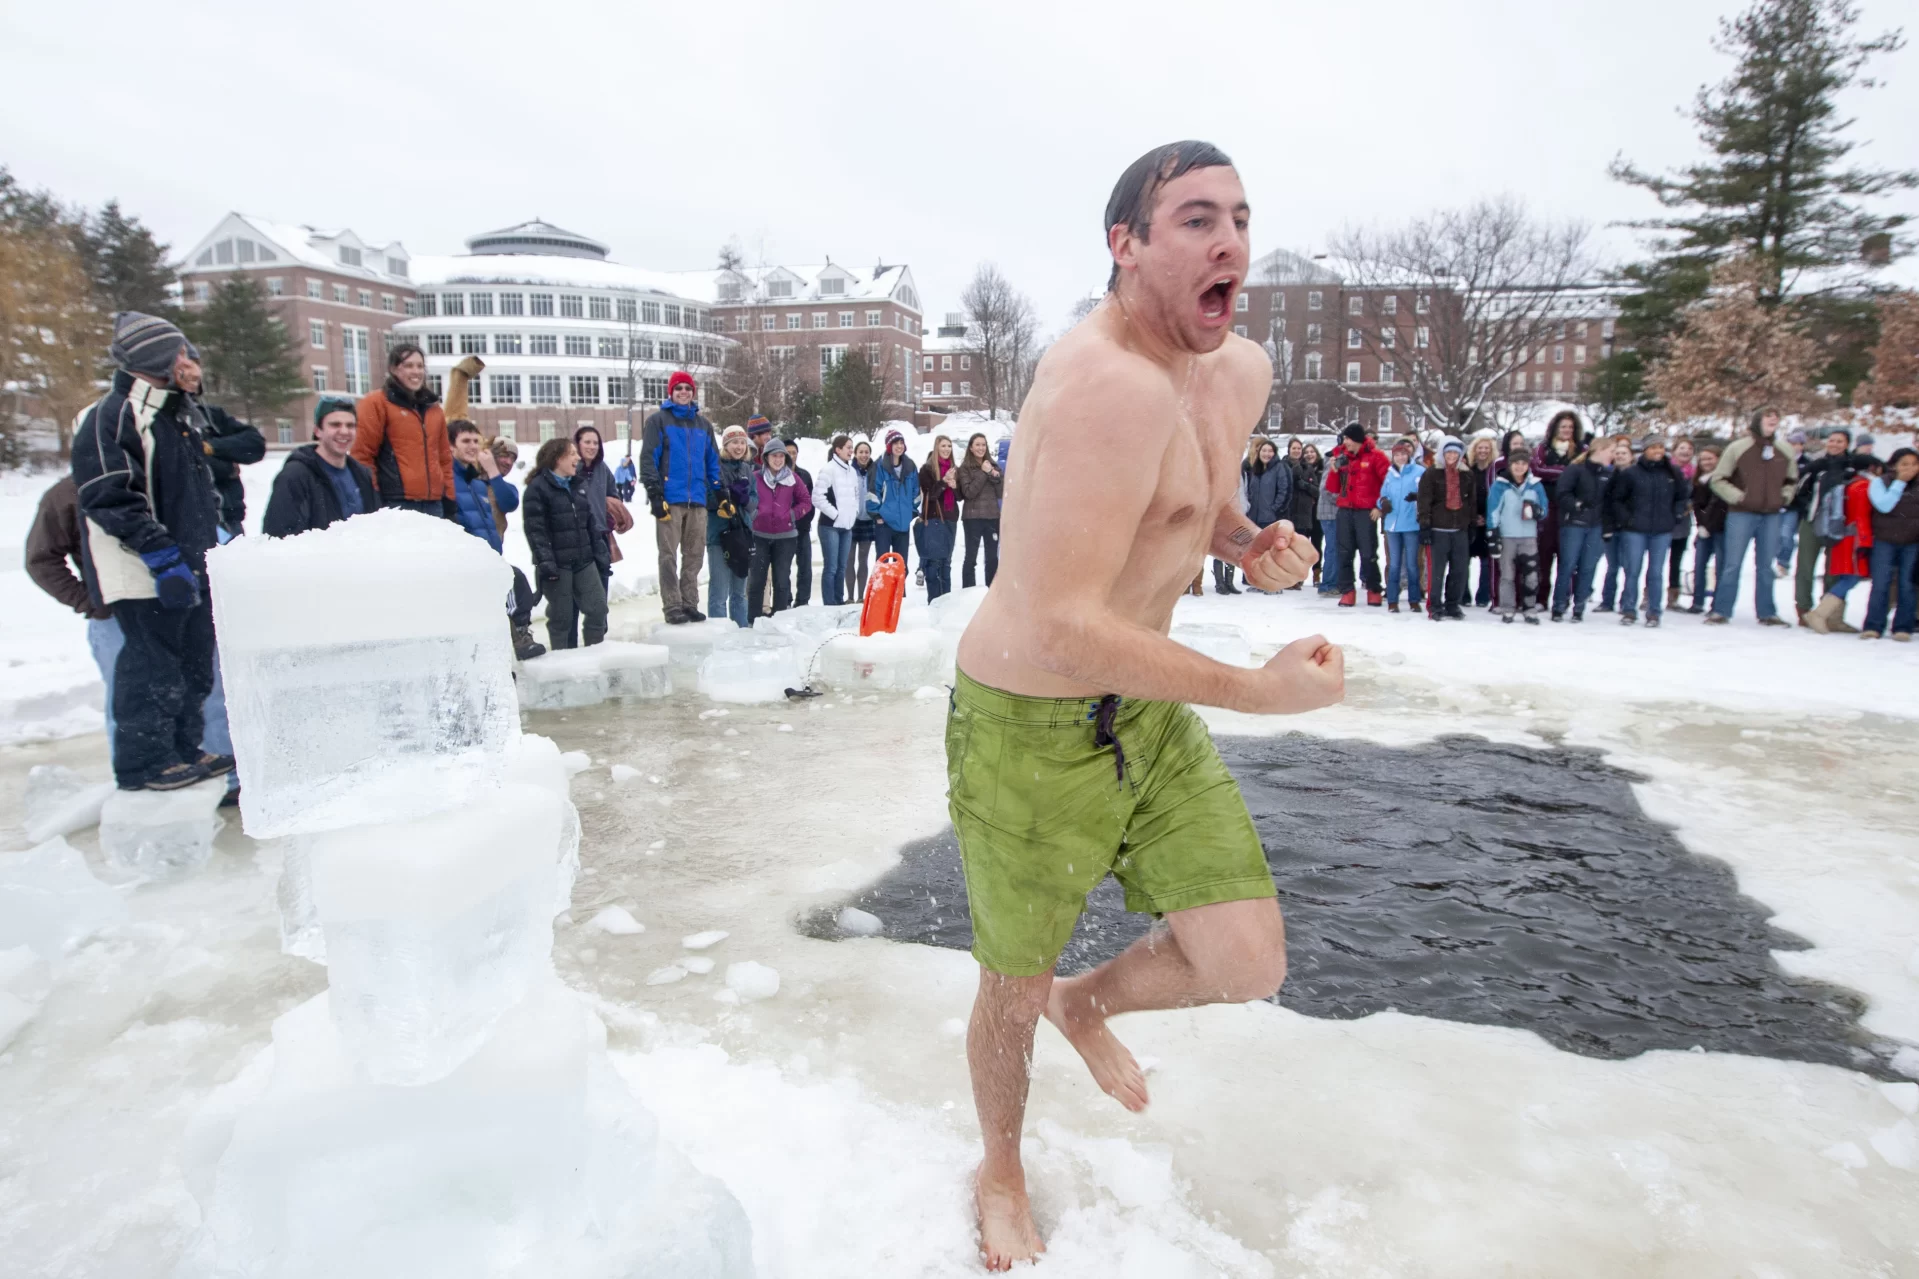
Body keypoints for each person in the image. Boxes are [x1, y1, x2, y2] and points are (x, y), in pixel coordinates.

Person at [948, 141, 1335, 1271]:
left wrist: (1245, 539)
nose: (1229, 243)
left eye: (1241, 219)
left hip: (1142, 717)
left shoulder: (1238, 370)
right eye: (1194, 220)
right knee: (1005, 988)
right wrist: (1258, 692)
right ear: (1123, 245)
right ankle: (1002, 1167)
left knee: (1244, 957)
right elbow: (1063, 620)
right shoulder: (1096, 385)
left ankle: (1091, 1000)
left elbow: (1191, 503)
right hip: (1028, 722)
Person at [70, 312, 233, 791]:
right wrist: (161, 557)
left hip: (191, 563)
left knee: (193, 667)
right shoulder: (113, 413)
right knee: (151, 668)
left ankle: (183, 750)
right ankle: (145, 764)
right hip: (144, 569)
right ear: (156, 358)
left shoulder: (176, 415)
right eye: (181, 353)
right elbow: (108, 494)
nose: (190, 362)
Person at [639, 371, 721, 625]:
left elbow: (712, 462)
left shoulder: (703, 425)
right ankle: (672, 604)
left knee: (694, 554)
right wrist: (654, 493)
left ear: (693, 392)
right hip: (670, 499)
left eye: (688, 388)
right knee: (668, 555)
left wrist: (719, 490)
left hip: (696, 499)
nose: (683, 392)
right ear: (671, 392)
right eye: (679, 388)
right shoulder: (658, 421)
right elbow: (648, 458)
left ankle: (690, 602)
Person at [1706, 409, 1799, 627]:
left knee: (1766, 566)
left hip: (1772, 515)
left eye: (1776, 418)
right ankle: (1721, 610)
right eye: (1768, 417)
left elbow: (1792, 480)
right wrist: (1739, 498)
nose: (1773, 420)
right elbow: (1718, 480)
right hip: (1742, 514)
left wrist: (1783, 497)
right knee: (1732, 564)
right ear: (1758, 421)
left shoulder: (1784, 449)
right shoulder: (1738, 448)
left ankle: (1767, 612)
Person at [521, 437, 608, 650]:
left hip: (584, 560)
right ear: (557, 458)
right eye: (572, 454)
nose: (578, 458)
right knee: (562, 617)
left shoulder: (578, 485)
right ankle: (564, 665)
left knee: (597, 609)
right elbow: (536, 532)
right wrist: (546, 563)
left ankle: (594, 655)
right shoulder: (537, 489)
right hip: (557, 564)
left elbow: (590, 525)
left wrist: (601, 555)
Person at [351, 343, 452, 517]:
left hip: (434, 503)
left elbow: (444, 458)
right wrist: (373, 497)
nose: (416, 371)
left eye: (420, 366)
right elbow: (362, 456)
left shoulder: (433, 409)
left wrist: (449, 497)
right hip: (395, 502)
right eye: (408, 365)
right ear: (393, 369)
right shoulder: (376, 403)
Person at [263, 395, 379, 537]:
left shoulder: (362, 475)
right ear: (318, 431)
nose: (344, 431)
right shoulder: (295, 477)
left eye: (350, 425)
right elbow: (278, 537)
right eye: (335, 425)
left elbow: (375, 526)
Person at [1607, 436, 1690, 627]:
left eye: (1661, 447)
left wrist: (1676, 515)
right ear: (1644, 450)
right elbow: (1618, 499)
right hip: (1635, 529)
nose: (1658, 451)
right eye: (1653, 447)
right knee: (1632, 570)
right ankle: (1629, 609)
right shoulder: (1631, 473)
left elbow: (1682, 497)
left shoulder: (1672, 472)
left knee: (1656, 572)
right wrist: (1626, 519)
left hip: (1662, 530)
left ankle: (1654, 612)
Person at [1789, 427, 1854, 624]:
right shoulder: (1816, 465)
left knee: (1834, 568)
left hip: (1840, 524)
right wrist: (1807, 506)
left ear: (1847, 445)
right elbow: (1799, 489)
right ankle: (1803, 608)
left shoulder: (1852, 467)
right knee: (1805, 566)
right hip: (1812, 520)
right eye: (1832, 440)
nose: (1834, 444)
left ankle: (1828, 612)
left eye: (1839, 441)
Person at [1804, 454, 1875, 634]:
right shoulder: (1863, 486)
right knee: (1851, 577)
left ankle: (1830, 616)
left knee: (1846, 577)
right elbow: (1861, 517)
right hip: (1856, 539)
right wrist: (1866, 542)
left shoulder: (1848, 483)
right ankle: (1820, 613)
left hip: (1843, 537)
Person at [745, 437, 812, 615]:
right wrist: (754, 513)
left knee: (781, 581)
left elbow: (806, 501)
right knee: (757, 581)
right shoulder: (756, 477)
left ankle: (780, 620)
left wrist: (791, 514)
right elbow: (746, 498)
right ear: (766, 457)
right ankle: (753, 620)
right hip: (759, 535)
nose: (778, 459)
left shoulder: (793, 479)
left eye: (781, 456)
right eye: (774, 455)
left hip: (786, 537)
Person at [1550, 435, 1612, 622]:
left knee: (1588, 567)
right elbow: (1562, 493)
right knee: (1567, 565)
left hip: (1596, 526)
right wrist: (1576, 505)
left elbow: (1610, 503)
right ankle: (1559, 605)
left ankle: (1579, 607)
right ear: (1599, 450)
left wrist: (1607, 526)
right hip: (1574, 524)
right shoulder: (1576, 469)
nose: (1613, 455)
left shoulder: (1608, 474)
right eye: (1611, 451)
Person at [1861, 447, 1919, 641]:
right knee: (1881, 583)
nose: (1910, 468)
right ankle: (1873, 625)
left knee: (1907, 584)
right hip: (1884, 541)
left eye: (1914, 464)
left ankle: (1903, 626)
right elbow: (1884, 505)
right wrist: (1899, 483)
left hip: (1913, 542)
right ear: (1893, 465)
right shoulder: (1880, 482)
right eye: (1904, 464)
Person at [1328, 421, 1389, 606]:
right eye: (1344, 438)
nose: (1345, 442)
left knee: (1368, 552)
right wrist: (1334, 471)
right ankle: (1347, 590)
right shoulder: (1340, 456)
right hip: (1345, 510)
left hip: (1366, 512)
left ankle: (1373, 589)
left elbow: (1388, 484)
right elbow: (1333, 488)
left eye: (1348, 438)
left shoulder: (1377, 457)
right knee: (1344, 552)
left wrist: (1379, 506)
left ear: (1357, 440)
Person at [1416, 437, 1477, 620]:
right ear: (1442, 453)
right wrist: (1425, 525)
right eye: (1448, 452)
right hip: (1438, 529)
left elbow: (1471, 502)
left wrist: (1472, 524)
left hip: (1459, 529)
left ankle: (1452, 604)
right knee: (1436, 571)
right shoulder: (1432, 473)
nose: (1451, 456)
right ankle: (1434, 605)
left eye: (1455, 453)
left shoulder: (1466, 474)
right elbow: (1424, 500)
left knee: (1459, 570)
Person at [1486, 445, 1548, 624]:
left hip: (1528, 536)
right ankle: (1508, 608)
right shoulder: (1500, 485)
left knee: (1531, 574)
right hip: (1507, 536)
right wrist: (1493, 532)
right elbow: (1494, 511)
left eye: (1523, 463)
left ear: (1528, 465)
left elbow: (1544, 508)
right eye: (1515, 463)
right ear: (1510, 465)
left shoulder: (1535, 485)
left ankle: (1529, 608)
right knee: (1507, 574)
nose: (1519, 467)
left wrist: (1538, 511)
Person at [706, 425, 755, 627]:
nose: (739, 446)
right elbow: (707, 498)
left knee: (739, 591)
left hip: (742, 535)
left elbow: (755, 500)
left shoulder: (747, 469)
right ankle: (718, 632)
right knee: (720, 590)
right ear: (725, 445)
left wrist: (744, 500)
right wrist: (723, 499)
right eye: (734, 442)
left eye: (742, 442)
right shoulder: (714, 467)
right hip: (719, 536)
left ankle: (741, 630)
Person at [1531, 411, 1581, 610]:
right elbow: (1537, 470)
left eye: (1570, 427)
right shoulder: (1543, 449)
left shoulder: (1581, 450)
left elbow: (1581, 474)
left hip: (1570, 509)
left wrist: (1558, 474)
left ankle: (1562, 599)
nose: (1567, 430)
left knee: (1567, 557)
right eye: (1563, 427)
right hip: (1547, 506)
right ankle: (1541, 598)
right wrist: (1567, 473)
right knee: (1543, 554)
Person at [199, 398, 266, 539]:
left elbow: (255, 444)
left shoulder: (209, 415)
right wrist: (227, 466)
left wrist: (211, 447)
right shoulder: (157, 419)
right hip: (191, 524)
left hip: (229, 521)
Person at [815, 434, 865, 607]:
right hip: (830, 526)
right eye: (848, 447)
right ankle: (829, 604)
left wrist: (854, 512)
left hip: (847, 527)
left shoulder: (851, 471)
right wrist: (836, 514)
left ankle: (838, 601)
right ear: (838, 450)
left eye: (852, 447)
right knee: (831, 567)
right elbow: (817, 498)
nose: (852, 451)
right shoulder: (828, 470)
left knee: (842, 567)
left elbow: (856, 494)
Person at [1376, 437, 1425, 613]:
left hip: (1411, 524)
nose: (1400, 457)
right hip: (1392, 526)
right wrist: (1383, 503)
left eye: (1403, 454)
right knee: (1394, 564)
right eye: (1397, 455)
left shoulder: (1419, 471)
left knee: (1412, 564)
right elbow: (1382, 496)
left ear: (1408, 455)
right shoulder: (1390, 475)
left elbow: (1427, 494)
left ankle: (1414, 599)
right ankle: (1392, 600)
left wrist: (1418, 497)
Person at [1237, 438, 1293, 592]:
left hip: (1271, 517)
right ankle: (1260, 582)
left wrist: (1275, 509)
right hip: (1254, 517)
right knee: (1257, 551)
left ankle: (1274, 584)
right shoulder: (1255, 469)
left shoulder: (1280, 468)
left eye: (1270, 451)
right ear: (1259, 452)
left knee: (1272, 552)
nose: (1267, 454)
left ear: (1274, 453)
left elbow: (1285, 491)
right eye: (1264, 451)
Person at [958, 432, 1006, 589]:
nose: (980, 448)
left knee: (992, 558)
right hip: (972, 518)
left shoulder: (994, 466)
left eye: (983, 445)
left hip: (992, 517)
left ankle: (991, 591)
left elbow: (1001, 492)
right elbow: (969, 492)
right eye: (977, 445)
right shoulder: (965, 468)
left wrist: (994, 475)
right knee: (971, 557)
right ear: (971, 448)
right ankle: (968, 591)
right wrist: (984, 473)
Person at [572, 426, 617, 592]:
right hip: (577, 536)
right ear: (578, 444)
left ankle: (600, 619)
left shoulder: (602, 468)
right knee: (579, 588)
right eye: (587, 442)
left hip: (600, 535)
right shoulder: (571, 467)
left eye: (595, 443)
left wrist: (610, 515)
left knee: (600, 587)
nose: (592, 446)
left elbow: (613, 494)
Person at [917, 434, 961, 602]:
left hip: (950, 518)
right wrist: (943, 482)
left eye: (949, 446)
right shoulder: (927, 469)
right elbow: (931, 495)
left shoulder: (954, 468)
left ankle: (946, 600)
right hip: (934, 518)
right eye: (943, 446)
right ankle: (934, 600)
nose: (946, 449)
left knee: (946, 562)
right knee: (934, 562)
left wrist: (954, 486)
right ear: (936, 448)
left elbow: (959, 496)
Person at [1686, 445, 1727, 614]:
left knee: (1721, 567)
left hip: (1721, 528)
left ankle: (1718, 603)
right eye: (1703, 459)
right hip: (1703, 528)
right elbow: (1698, 506)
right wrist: (1701, 525)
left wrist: (1709, 526)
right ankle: (1697, 601)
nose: (1706, 462)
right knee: (1699, 564)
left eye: (1710, 458)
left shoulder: (1723, 480)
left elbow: (1720, 506)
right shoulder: (1699, 481)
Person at [869, 429, 919, 566]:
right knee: (883, 565)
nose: (899, 446)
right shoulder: (879, 466)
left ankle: (900, 589)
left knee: (901, 567)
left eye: (901, 442)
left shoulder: (910, 466)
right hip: (884, 524)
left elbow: (916, 491)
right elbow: (873, 492)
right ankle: (883, 588)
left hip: (903, 524)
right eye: (895, 443)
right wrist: (877, 515)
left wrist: (912, 512)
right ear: (889, 446)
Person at [1466, 434, 1499, 606]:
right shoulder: (1468, 469)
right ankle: (1464, 595)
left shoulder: (1494, 471)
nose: (1483, 451)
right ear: (1474, 450)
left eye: (1486, 448)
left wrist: (1487, 517)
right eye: (1480, 448)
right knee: (1464, 560)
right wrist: (1473, 517)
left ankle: (1483, 596)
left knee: (1487, 562)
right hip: (1469, 521)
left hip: (1489, 520)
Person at [1666, 437, 1697, 610]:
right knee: (1655, 561)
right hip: (1663, 520)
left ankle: (1673, 596)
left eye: (1689, 449)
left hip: (1683, 521)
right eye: (1682, 448)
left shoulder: (1695, 473)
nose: (1685, 451)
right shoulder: (1666, 470)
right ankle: (1649, 595)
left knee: (1676, 560)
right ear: (1674, 451)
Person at [1288, 441, 1323, 585]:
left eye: (1299, 448)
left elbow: (1317, 490)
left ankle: (1315, 574)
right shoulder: (1285, 466)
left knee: (1315, 544)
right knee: (1295, 546)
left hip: (1313, 512)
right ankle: (1294, 576)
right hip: (1292, 511)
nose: (1308, 454)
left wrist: (1305, 485)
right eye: (1293, 448)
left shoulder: (1313, 468)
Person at [850, 440, 877, 601]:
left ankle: (861, 596)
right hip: (852, 519)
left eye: (866, 452)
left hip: (867, 519)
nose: (864, 455)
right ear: (855, 454)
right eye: (861, 452)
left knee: (863, 559)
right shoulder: (849, 470)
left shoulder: (874, 470)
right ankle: (850, 596)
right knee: (849, 559)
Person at [1313, 450, 1343, 597]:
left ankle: (1333, 582)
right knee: (1333, 548)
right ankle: (1328, 584)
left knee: (1335, 548)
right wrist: (1342, 499)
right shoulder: (1334, 461)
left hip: (1333, 512)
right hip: (1330, 512)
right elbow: (1325, 489)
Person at [790, 447, 817, 607]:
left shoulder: (804, 475)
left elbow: (810, 501)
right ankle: (785, 600)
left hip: (803, 528)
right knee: (783, 569)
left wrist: (806, 520)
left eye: (794, 453)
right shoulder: (777, 475)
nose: (791, 456)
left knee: (805, 567)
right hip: (784, 530)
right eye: (788, 453)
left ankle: (802, 601)